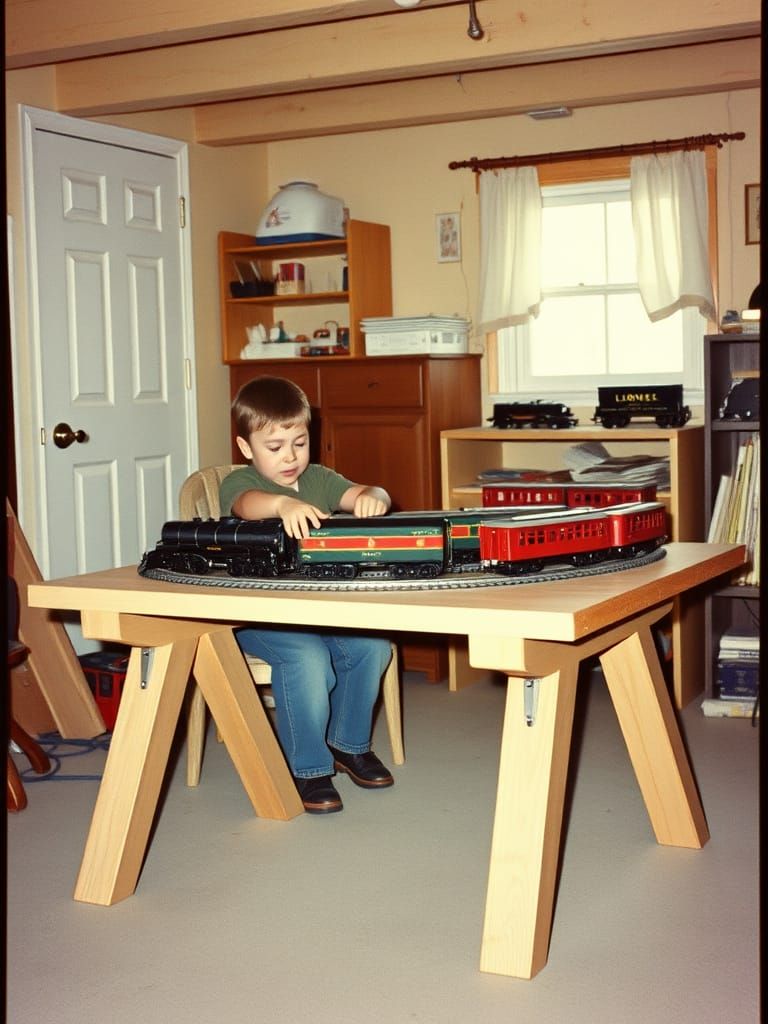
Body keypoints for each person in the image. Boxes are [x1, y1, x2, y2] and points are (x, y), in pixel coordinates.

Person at [219, 375, 394, 814]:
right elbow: (247, 505)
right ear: (246, 448)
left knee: (371, 646)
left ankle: (347, 743)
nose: (290, 457)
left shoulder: (318, 479)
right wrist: (281, 505)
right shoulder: (240, 484)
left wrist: (375, 497)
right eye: (274, 447)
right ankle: (308, 767)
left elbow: (365, 493)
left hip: (318, 613)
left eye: (299, 442)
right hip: (257, 619)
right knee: (307, 660)